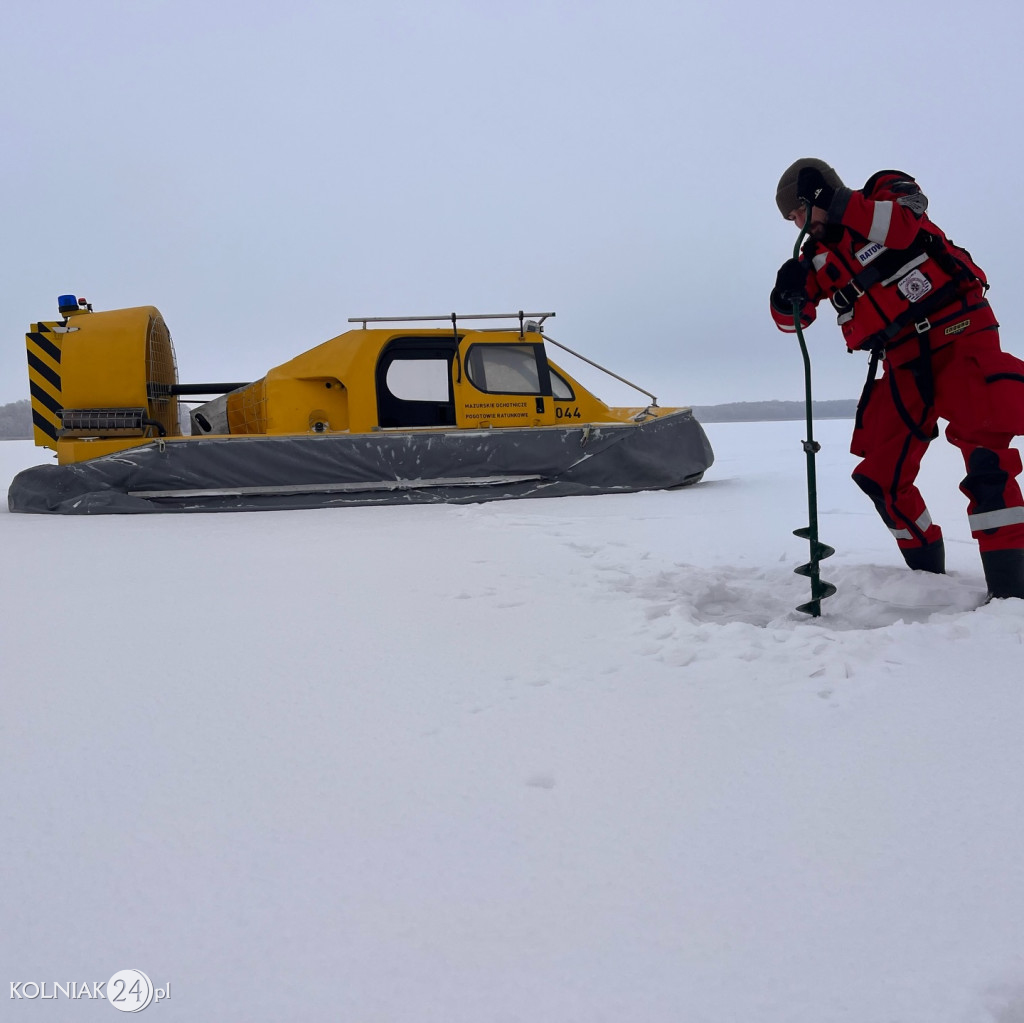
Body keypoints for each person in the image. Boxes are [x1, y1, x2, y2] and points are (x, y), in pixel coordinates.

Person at [770, 158, 1024, 599]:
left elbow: (905, 227)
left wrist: (837, 201)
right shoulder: (814, 259)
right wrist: (784, 291)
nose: (795, 223)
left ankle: (1012, 597)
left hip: (961, 333)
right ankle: (925, 580)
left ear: (815, 197)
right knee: (880, 476)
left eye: (796, 211)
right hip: (902, 360)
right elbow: (792, 323)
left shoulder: (884, 193)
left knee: (986, 460)